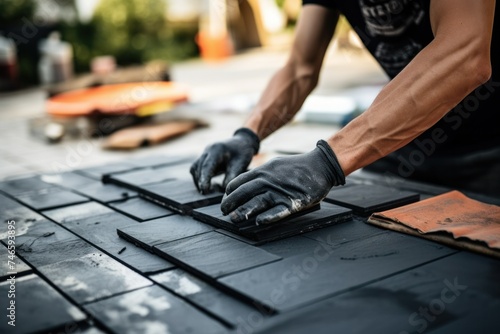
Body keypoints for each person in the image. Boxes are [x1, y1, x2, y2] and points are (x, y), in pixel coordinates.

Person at [190, 0, 500, 225]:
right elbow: (300, 68)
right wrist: (248, 134)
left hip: (490, 150)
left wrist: (327, 160)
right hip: (405, 144)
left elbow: (465, 53)